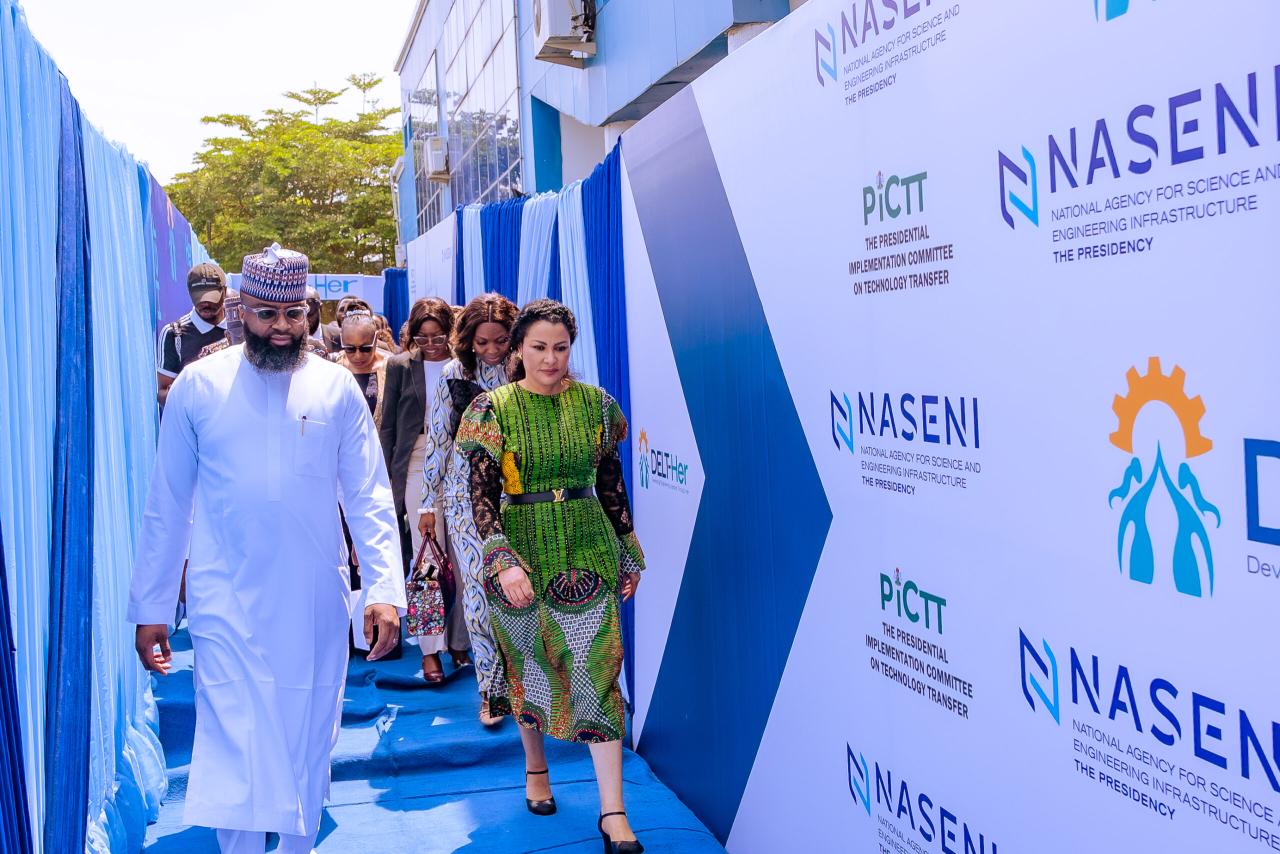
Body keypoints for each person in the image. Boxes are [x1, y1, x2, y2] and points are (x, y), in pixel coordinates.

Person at [128, 242, 404, 854]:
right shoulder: (199, 386)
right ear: (240, 311)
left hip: (313, 597)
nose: (281, 327)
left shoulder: (335, 387)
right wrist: (152, 606)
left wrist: (384, 590)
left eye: (293, 314)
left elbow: (368, 495)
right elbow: (168, 501)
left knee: (307, 733)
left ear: (308, 313)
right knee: (237, 743)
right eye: (266, 314)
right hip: (224, 595)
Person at [456, 299, 645, 853]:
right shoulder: (493, 409)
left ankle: (614, 813)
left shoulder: (597, 405)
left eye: (560, 348)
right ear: (518, 348)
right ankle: (536, 769)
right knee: (530, 665)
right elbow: (481, 496)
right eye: (539, 347)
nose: (550, 359)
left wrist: (629, 549)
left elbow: (610, 483)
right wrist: (502, 559)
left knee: (599, 667)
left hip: (588, 543)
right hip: (520, 547)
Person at [417, 294, 516, 713]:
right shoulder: (452, 375)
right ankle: (491, 690)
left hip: (517, 496)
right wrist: (427, 504)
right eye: (482, 342)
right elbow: (437, 441)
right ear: (468, 340)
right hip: (463, 497)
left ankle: (523, 686)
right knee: (477, 594)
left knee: (516, 593)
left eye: (500, 340)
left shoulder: (526, 368)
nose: (492, 350)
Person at [380, 298, 470, 681]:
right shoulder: (400, 366)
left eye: (438, 336)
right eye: (422, 337)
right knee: (427, 559)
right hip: (417, 458)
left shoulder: (466, 364)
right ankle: (430, 650)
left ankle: (461, 642)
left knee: (464, 556)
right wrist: (388, 481)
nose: (431, 344)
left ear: (451, 331)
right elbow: (387, 426)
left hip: (462, 459)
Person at [157, 262, 229, 405]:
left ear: (224, 291)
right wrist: (189, 390)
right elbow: (162, 393)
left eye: (211, 298)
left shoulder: (243, 326)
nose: (205, 304)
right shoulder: (175, 334)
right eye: (199, 298)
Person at [305, 286, 326, 352]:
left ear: (320, 309)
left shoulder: (337, 337)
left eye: (310, 310)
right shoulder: (285, 339)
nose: (305, 318)